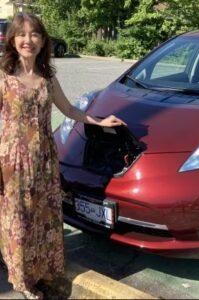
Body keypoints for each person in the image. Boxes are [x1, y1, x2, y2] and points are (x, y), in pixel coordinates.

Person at [0, 12, 126, 299]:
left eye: (34, 34)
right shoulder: (3, 76)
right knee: (18, 219)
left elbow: (69, 110)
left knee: (43, 216)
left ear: (43, 40)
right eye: (22, 34)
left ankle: (42, 270)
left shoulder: (47, 76)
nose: (27, 40)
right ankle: (23, 281)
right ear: (13, 39)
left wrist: (99, 121)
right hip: (13, 160)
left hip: (44, 158)